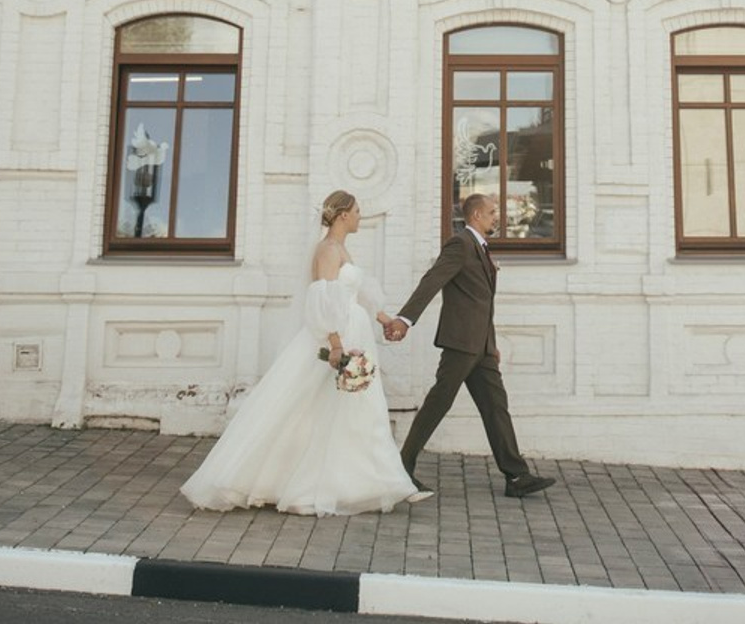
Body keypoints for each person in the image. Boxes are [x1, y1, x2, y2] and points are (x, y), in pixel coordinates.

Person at [181, 189, 428, 515]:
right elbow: (323, 300)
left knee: (357, 411)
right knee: (304, 407)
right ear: (343, 215)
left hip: (355, 332)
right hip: (337, 337)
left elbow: (358, 294)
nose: (359, 216)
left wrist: (386, 320)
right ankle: (280, 479)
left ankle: (383, 482)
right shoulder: (326, 250)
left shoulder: (341, 249)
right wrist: (336, 345)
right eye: (356, 211)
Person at [384, 192, 555, 499]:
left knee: (495, 407)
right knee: (439, 402)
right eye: (491, 212)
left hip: (482, 346)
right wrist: (405, 319)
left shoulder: (479, 247)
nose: (496, 217)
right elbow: (432, 281)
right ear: (476, 216)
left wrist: (491, 341)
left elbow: (482, 301)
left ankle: (516, 476)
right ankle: (402, 468)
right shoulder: (460, 244)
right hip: (461, 343)